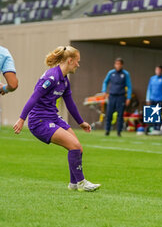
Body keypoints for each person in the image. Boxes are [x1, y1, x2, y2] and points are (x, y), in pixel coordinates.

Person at [13, 46, 100, 192]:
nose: (78, 65)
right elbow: (34, 97)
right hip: (39, 121)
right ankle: (81, 183)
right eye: (77, 61)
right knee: (74, 146)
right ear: (70, 60)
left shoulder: (64, 81)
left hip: (52, 117)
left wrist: (81, 122)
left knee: (78, 147)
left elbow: (70, 103)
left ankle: (73, 184)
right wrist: (22, 119)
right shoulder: (51, 77)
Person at [102, 58, 132, 137]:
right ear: (114, 64)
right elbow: (105, 82)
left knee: (120, 115)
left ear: (122, 65)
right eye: (116, 64)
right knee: (109, 114)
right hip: (111, 96)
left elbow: (129, 86)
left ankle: (119, 132)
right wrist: (104, 91)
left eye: (119, 64)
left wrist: (128, 97)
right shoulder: (111, 73)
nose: (118, 65)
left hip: (121, 97)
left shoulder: (126, 74)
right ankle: (107, 130)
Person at [146, 65, 162, 135]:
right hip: (152, 99)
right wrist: (147, 99)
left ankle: (158, 128)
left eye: (159, 70)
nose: (158, 71)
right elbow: (149, 89)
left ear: (161, 71)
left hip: (160, 99)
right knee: (152, 114)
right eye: (157, 70)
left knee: (158, 114)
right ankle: (153, 128)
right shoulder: (152, 78)